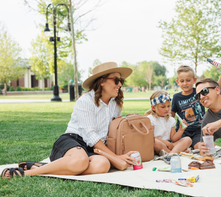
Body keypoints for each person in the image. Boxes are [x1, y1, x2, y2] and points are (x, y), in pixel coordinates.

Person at [1, 62, 137, 179]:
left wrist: (126, 120)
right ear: (101, 81)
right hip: (72, 140)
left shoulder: (115, 104)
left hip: (92, 148)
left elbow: (113, 130)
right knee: (81, 161)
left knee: (103, 165)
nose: (120, 84)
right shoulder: (85, 101)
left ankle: (48, 167)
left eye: (121, 81)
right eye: (116, 80)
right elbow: (90, 135)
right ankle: (28, 173)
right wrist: (115, 157)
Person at [170, 64, 221, 150]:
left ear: (194, 80)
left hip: (198, 130)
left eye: (188, 80)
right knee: (181, 145)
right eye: (182, 81)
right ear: (178, 82)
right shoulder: (176, 97)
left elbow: (216, 88)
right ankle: (176, 150)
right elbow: (171, 115)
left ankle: (199, 147)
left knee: (199, 146)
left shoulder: (198, 92)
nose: (185, 83)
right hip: (182, 131)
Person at [144, 90, 192, 154]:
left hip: (169, 145)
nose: (167, 109)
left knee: (188, 140)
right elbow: (150, 137)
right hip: (157, 146)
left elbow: (173, 139)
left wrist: (181, 130)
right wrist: (165, 143)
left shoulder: (170, 119)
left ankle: (171, 153)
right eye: (163, 107)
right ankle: (174, 152)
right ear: (153, 108)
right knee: (155, 142)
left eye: (168, 106)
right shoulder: (151, 119)